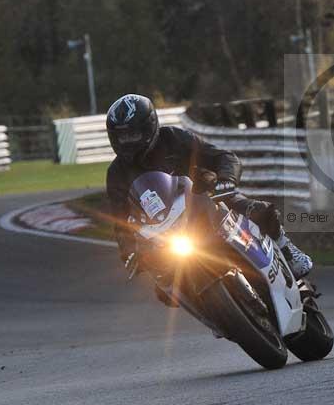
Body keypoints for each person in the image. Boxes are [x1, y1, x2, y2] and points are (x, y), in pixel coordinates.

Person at [105, 94, 312, 306]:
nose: (128, 141)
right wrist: (128, 251)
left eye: (133, 134)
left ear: (149, 127)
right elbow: (120, 220)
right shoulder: (116, 173)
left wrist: (226, 180)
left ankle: (288, 251)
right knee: (165, 292)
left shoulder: (174, 138)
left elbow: (223, 157)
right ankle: (214, 311)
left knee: (259, 211)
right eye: (122, 136)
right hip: (164, 229)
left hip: (206, 199)